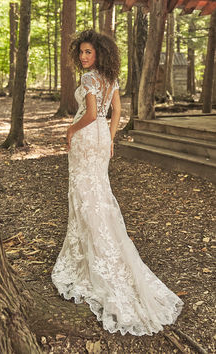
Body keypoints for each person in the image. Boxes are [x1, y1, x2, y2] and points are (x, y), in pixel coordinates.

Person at [51, 29, 183, 336]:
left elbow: (92, 113)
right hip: (100, 139)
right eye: (81, 52)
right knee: (97, 195)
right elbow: (117, 113)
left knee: (86, 196)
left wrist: (71, 131)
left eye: (88, 52)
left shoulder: (88, 80)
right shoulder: (109, 79)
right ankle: (102, 250)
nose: (84, 57)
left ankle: (93, 258)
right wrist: (109, 140)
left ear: (98, 53)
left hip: (86, 136)